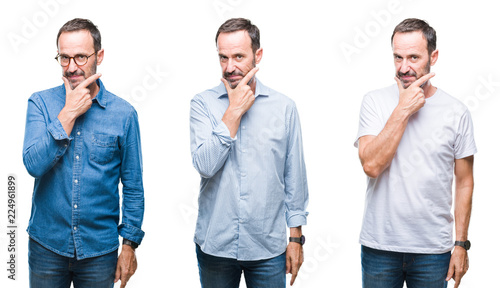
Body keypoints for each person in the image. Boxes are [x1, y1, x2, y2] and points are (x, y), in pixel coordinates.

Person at [22, 18, 144, 288]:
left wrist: (129, 245)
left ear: (99, 56)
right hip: (46, 246)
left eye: (80, 57)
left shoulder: (123, 114)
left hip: (99, 252)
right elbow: (32, 164)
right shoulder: (40, 103)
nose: (72, 67)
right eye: (64, 58)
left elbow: (133, 186)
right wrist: (67, 115)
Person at [354, 18, 476, 288]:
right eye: (397, 57)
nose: (404, 67)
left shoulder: (456, 112)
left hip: (434, 251)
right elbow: (371, 165)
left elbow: (465, 181)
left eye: (413, 57)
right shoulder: (374, 102)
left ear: (433, 56)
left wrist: (461, 244)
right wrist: (403, 110)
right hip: (380, 248)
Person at [190, 18, 309, 288]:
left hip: (267, 248)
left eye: (239, 57)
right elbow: (205, 166)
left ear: (258, 55)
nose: (230, 67)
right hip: (215, 246)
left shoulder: (284, 107)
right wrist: (233, 112)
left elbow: (294, 177)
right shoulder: (203, 104)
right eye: (223, 57)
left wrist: (295, 238)